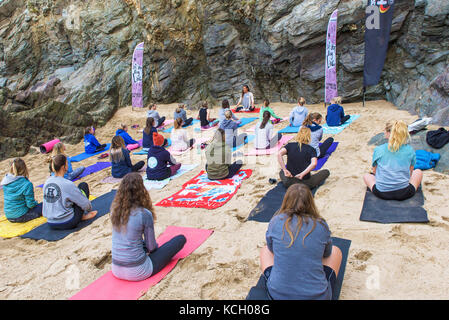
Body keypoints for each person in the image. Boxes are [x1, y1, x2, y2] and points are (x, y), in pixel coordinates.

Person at [259, 183, 342, 300]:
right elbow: (327, 253)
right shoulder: (321, 225)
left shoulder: (275, 221)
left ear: (286, 201)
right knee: (336, 251)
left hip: (278, 295)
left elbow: (271, 249)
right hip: (318, 296)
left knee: (265, 250)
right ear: (310, 202)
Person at [111, 172, 186, 281]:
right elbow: (152, 247)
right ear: (142, 190)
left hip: (116, 269)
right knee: (180, 239)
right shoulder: (144, 214)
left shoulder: (114, 210)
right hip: (139, 271)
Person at [363, 120, 423, 201]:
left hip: (382, 193)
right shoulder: (410, 150)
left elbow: (375, 172)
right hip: (404, 193)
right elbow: (410, 172)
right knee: (418, 172)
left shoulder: (378, 149)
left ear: (388, 133)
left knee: (366, 176)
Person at [43, 154, 97, 230]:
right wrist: (89, 209)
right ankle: (83, 217)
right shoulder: (67, 184)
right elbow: (84, 203)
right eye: (67, 163)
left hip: (51, 222)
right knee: (83, 186)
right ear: (63, 167)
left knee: (68, 197)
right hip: (67, 222)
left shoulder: (47, 182)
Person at [1, 158, 42, 223]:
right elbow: (30, 205)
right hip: (21, 216)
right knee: (44, 205)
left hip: (9, 216)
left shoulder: (5, 181)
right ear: (24, 169)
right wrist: (36, 203)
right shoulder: (27, 184)